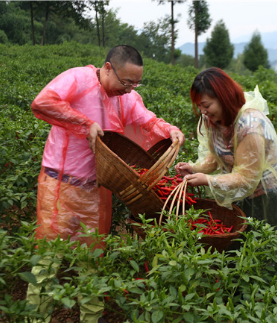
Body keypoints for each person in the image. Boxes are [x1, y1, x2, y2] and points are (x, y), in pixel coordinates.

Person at [27, 45, 185, 323]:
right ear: (108, 68)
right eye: (126, 82)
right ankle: (35, 318)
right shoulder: (78, 79)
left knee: (92, 260)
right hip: (60, 186)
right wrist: (83, 123)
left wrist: (169, 129)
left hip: (97, 189)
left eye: (136, 83)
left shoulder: (128, 97)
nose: (130, 88)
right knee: (47, 260)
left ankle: (91, 317)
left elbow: (147, 120)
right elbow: (43, 102)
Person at [175, 67, 277, 232]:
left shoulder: (250, 125)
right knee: (233, 246)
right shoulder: (212, 119)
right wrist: (195, 168)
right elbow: (216, 155)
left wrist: (208, 180)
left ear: (224, 98)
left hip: (262, 196)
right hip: (235, 190)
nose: (203, 111)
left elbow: (247, 178)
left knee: (259, 247)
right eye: (199, 106)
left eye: (206, 105)